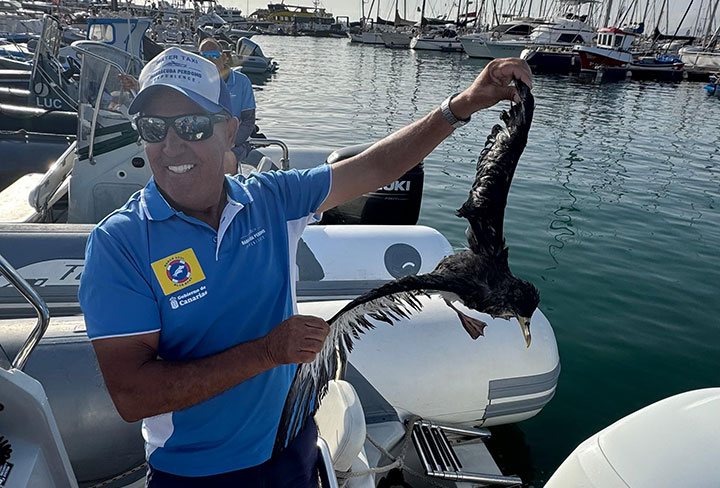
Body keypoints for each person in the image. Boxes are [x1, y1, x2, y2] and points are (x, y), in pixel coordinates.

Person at [78, 47, 531, 487]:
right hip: (195, 473)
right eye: (153, 127)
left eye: (192, 125)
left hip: (293, 447)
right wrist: (267, 352)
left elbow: (374, 166)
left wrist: (462, 105)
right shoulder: (120, 244)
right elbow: (133, 395)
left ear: (229, 129)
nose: (171, 144)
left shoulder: (271, 200)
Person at [198, 38, 256, 168]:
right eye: (204, 57)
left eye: (214, 56)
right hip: (205, 142)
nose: (210, 61)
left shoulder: (242, 82)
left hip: (235, 143)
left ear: (224, 58)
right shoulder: (196, 84)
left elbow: (248, 121)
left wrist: (228, 143)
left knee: (224, 161)